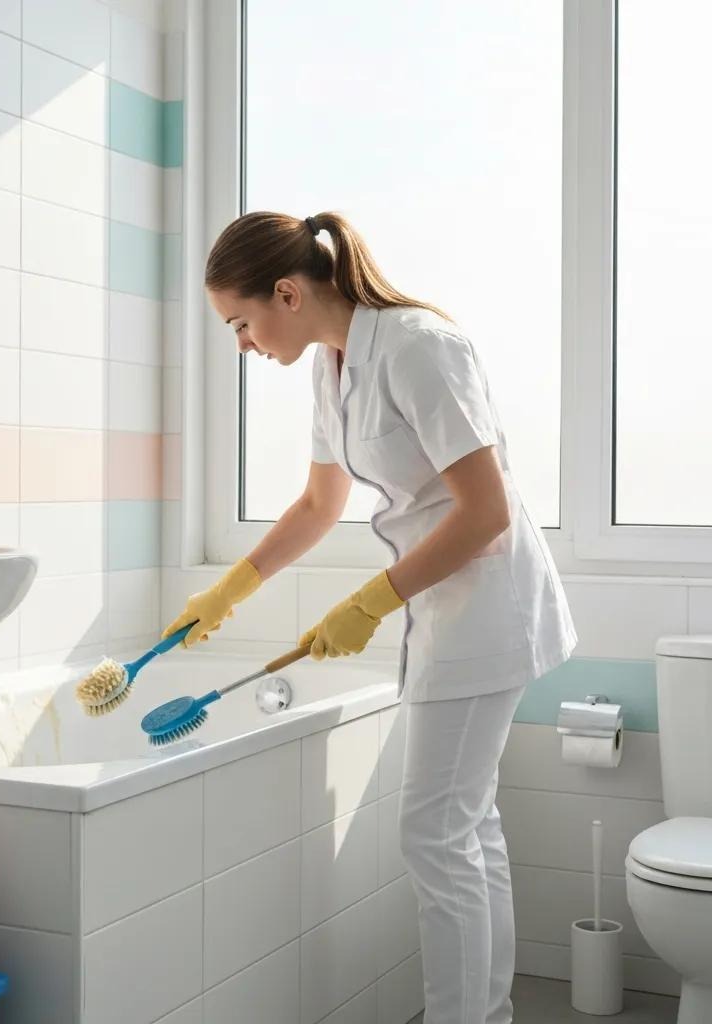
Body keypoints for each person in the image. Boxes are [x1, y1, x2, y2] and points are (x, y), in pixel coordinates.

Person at [163, 210, 577, 1024]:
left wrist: (371, 600)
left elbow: (487, 511)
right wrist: (231, 589)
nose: (242, 345)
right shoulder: (333, 365)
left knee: (435, 833)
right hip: (445, 606)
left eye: (240, 323)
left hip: (491, 608)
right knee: (466, 829)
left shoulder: (420, 347)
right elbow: (320, 504)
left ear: (287, 293)